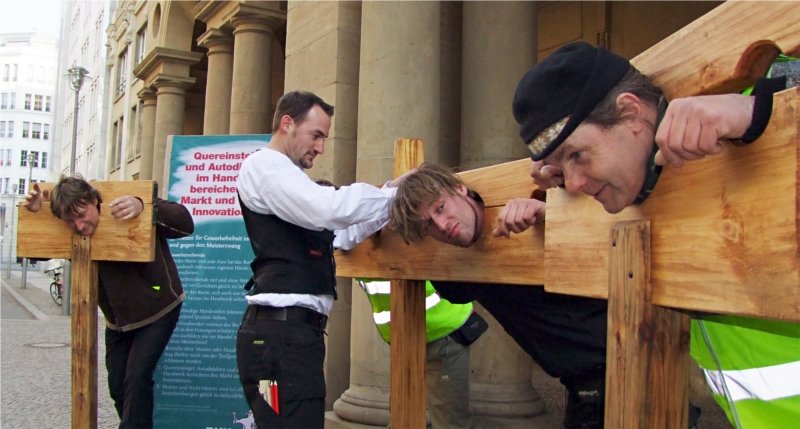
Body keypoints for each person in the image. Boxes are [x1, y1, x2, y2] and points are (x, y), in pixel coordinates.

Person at [511, 41, 800, 428]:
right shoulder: (633, 193)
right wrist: (558, 206)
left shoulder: (773, 91)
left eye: (578, 155)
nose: (575, 183)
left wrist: (755, 111)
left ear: (631, 112)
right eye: (561, 168)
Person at [387, 162, 610, 429]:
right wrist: (392, 189)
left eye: (441, 207)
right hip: (580, 384)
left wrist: (552, 216)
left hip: (622, 360)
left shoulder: (539, 214)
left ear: (460, 188)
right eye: (428, 226)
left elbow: (606, 223)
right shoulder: (454, 269)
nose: (442, 225)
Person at [235, 90, 408, 428]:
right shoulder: (265, 165)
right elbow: (326, 208)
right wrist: (390, 195)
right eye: (316, 135)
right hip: (280, 340)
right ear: (287, 124)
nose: (320, 147)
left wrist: (388, 199)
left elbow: (339, 236)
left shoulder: (286, 180)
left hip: (288, 338)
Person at [24, 175, 194, 429]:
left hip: (158, 308)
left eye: (82, 215)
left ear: (94, 200)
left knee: (137, 378)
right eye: (71, 222)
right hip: (118, 321)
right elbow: (38, 251)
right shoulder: (72, 227)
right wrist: (37, 215)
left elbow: (185, 222)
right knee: (118, 387)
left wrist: (145, 208)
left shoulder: (123, 202)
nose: (80, 225)